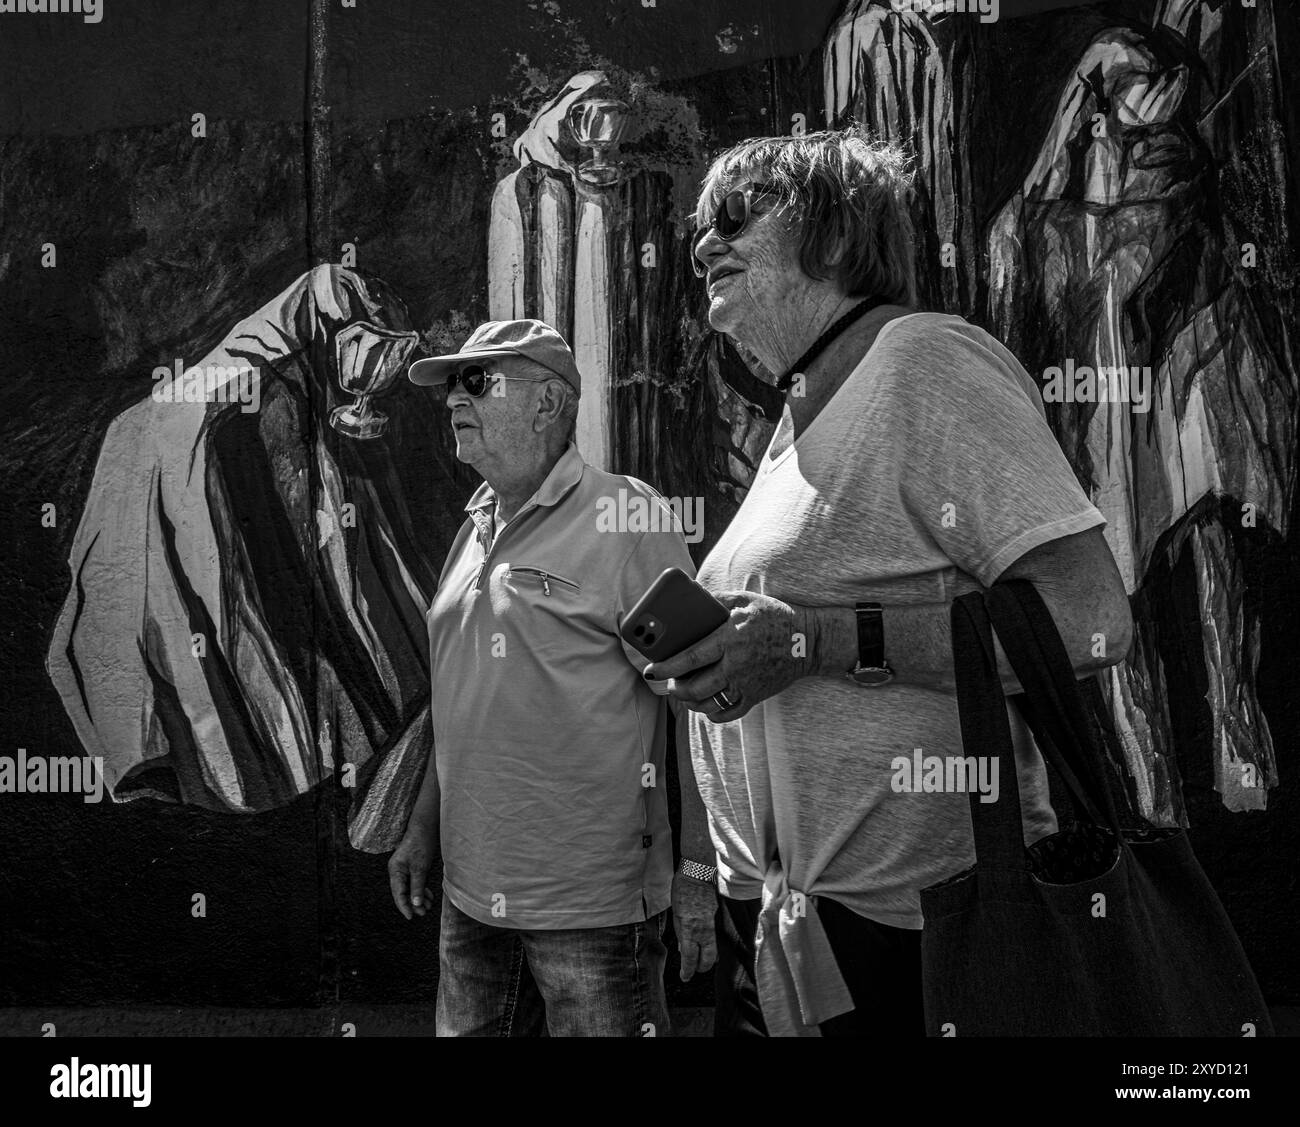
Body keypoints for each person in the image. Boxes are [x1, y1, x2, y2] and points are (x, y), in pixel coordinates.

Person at [644, 126, 1135, 1037]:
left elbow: (1094, 621)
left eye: (733, 218)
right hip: (784, 932)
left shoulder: (926, 361)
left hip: (921, 940)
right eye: (699, 226)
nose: (703, 244)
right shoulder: (797, 413)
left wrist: (815, 640)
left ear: (831, 235)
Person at [387, 318, 717, 1037]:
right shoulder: (473, 524)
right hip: (470, 903)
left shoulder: (627, 516)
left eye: (476, 380)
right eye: (450, 385)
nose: (452, 399)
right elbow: (462, 697)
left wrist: (697, 874)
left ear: (547, 404)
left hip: (592, 917)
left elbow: (699, 698)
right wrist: (422, 826)